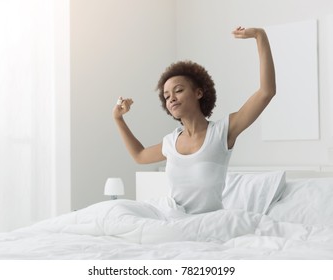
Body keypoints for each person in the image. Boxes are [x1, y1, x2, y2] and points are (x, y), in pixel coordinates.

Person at [112, 27, 276, 214]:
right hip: (175, 220)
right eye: (166, 96)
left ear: (199, 93)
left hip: (210, 224)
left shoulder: (222, 132)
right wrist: (118, 119)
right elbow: (139, 155)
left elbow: (266, 92)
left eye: (178, 90)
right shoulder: (170, 142)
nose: (171, 98)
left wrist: (259, 36)